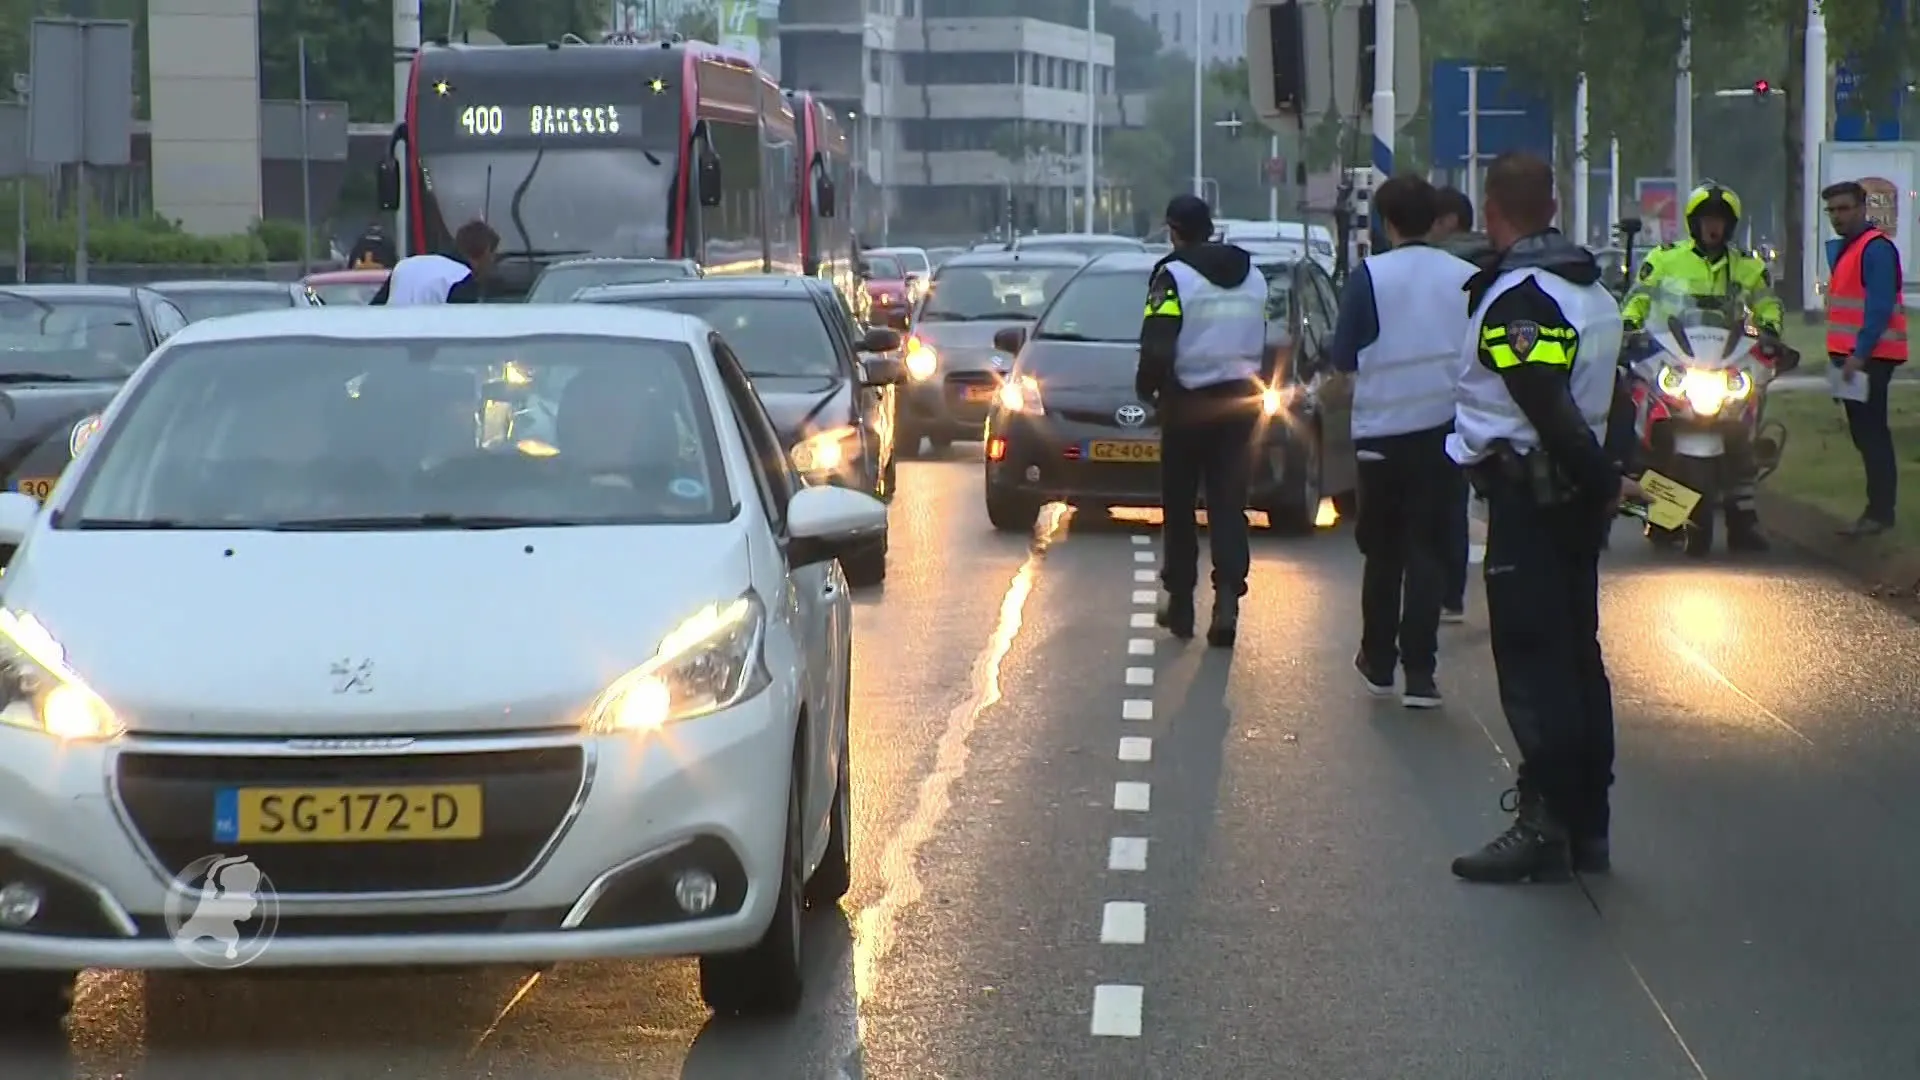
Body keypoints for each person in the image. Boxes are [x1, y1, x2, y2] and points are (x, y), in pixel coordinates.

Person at [1447, 153, 1640, 884]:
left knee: (1535, 664)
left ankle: (1545, 825)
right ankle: (1589, 826)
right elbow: (1613, 396)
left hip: (1533, 498)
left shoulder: (1522, 300)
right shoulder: (1589, 290)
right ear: (1553, 208)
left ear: (1491, 208)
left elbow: (1544, 403)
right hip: (1571, 499)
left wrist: (1600, 479)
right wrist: (1608, 474)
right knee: (1578, 659)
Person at [1327, 175, 1476, 709]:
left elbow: (1343, 357)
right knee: (1428, 550)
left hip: (1381, 436)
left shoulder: (1370, 276)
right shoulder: (1467, 279)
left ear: (1386, 223)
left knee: (1384, 553)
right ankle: (1421, 672)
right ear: (1435, 220)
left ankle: (1378, 660)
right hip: (1445, 433)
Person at [1138, 194, 1270, 648]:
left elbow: (1158, 339)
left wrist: (1147, 388)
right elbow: (1261, 333)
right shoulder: (1253, 274)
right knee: (1228, 503)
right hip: (1240, 404)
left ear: (1174, 231)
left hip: (1187, 403)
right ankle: (1227, 599)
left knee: (1179, 504)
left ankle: (1180, 602)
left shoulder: (1172, 275)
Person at [1620, 183, 1783, 551]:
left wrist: (1770, 331)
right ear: (1694, 222)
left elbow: (1767, 304)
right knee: (1639, 419)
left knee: (1745, 426)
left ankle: (1744, 519)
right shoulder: (1665, 259)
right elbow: (1639, 298)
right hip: (1675, 356)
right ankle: (1654, 507)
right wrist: (1628, 325)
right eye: (1708, 219)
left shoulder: (1748, 266)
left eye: (1720, 220)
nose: (1714, 226)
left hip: (1725, 357)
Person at [1821, 180, 1906, 536]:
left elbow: (1879, 307)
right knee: (1864, 435)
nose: (1837, 217)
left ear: (1862, 208)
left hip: (1870, 358)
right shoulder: (1851, 248)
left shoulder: (1875, 249)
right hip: (1854, 357)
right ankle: (1877, 511)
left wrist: (1859, 355)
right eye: (1831, 211)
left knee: (1872, 436)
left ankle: (1880, 513)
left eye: (1844, 208)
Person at [1428, 186, 1491, 621]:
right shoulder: (1498, 261)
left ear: (1449, 221)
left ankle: (1447, 592)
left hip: (1445, 391)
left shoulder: (1443, 267)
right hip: (1492, 393)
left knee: (1446, 498)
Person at [370, 220, 498, 306]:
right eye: (494, 255)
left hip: (390, 337)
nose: (493, 263)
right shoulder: (461, 277)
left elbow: (374, 311)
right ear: (486, 252)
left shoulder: (405, 265)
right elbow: (463, 328)